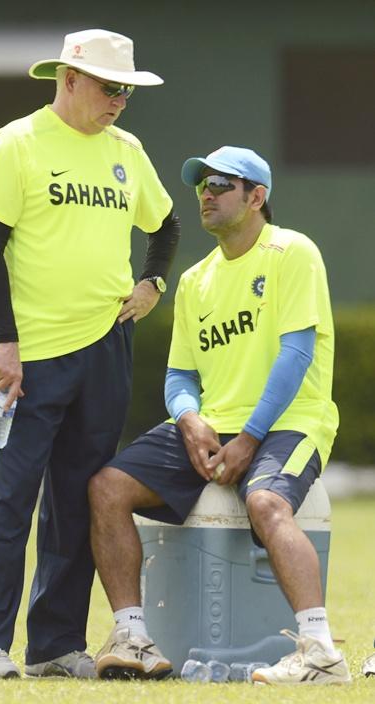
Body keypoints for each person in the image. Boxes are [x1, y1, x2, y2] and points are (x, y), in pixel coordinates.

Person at [88, 145, 352, 685]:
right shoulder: (195, 280)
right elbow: (179, 378)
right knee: (107, 487)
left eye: (221, 185)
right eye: (201, 185)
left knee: (266, 501)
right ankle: (133, 636)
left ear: (257, 197)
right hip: (217, 423)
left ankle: (321, 653)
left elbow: (297, 355)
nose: (206, 194)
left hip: (290, 421)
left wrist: (251, 436)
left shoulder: (292, 252)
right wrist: (189, 420)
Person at [0, 28, 180, 679]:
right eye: (111, 88)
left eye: (127, 91)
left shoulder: (127, 150)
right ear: (69, 79)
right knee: (9, 500)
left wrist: (153, 283)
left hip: (105, 350)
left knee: (75, 499)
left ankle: (55, 646)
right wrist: (6, 342)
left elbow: (164, 225)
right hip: (29, 358)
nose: (119, 101)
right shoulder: (18, 143)